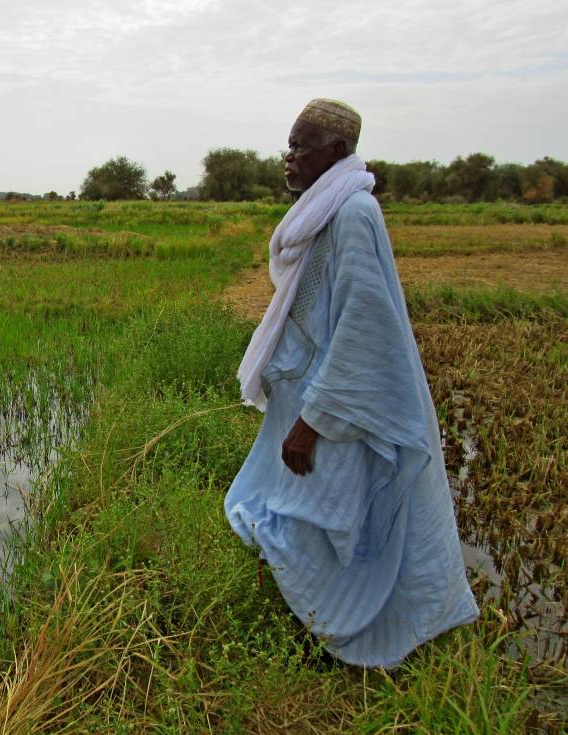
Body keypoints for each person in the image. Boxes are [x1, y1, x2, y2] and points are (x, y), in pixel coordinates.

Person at [224, 98, 478, 668]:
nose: (287, 158)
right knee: (288, 508)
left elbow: (365, 326)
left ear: (336, 152)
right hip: (308, 397)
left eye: (300, 147)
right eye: (288, 146)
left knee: (330, 518)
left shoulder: (353, 215)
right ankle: (316, 620)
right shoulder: (326, 210)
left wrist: (312, 423)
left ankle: (355, 629)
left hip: (332, 409)